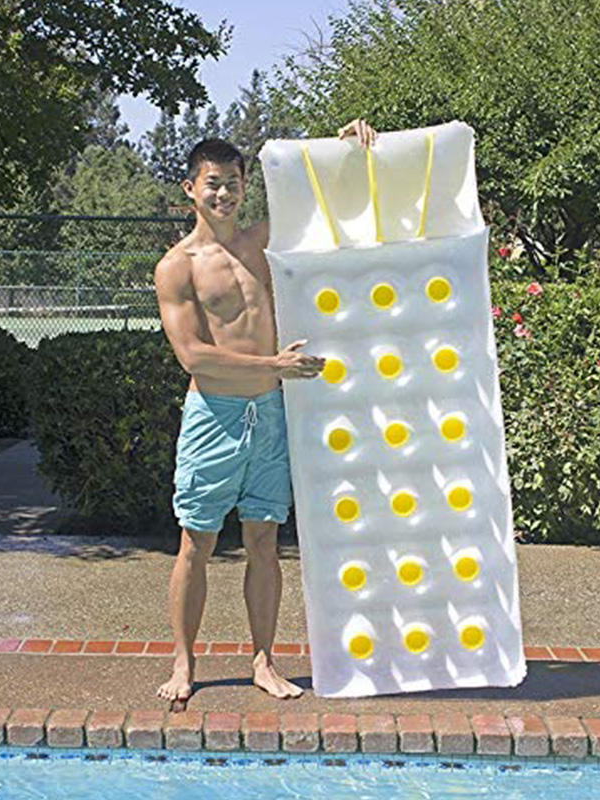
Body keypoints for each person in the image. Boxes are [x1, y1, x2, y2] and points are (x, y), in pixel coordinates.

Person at [154, 118, 378, 706]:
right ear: (190, 189)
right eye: (212, 183)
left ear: (244, 185)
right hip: (214, 416)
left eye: (232, 182)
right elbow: (193, 356)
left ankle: (263, 661)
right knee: (196, 543)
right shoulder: (177, 266)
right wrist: (274, 366)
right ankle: (183, 661)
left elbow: (325, 200)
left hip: (271, 414)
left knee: (264, 541)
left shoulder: (262, 242)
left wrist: (343, 147)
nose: (223, 193)